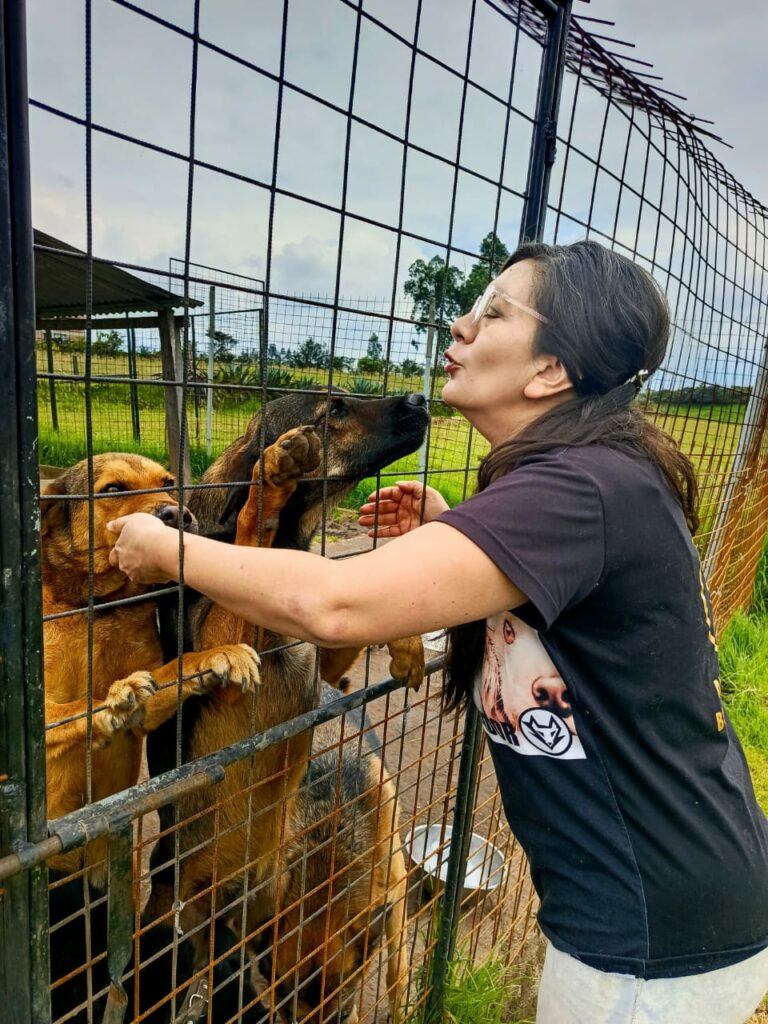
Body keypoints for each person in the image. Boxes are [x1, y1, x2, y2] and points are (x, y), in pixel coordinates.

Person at [108, 240, 768, 1024]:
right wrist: (456, 529)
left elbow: (335, 609)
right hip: (670, 902)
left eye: (493, 312)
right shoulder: (592, 477)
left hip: (651, 939)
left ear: (550, 372)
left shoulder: (576, 488)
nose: (458, 323)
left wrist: (165, 547)